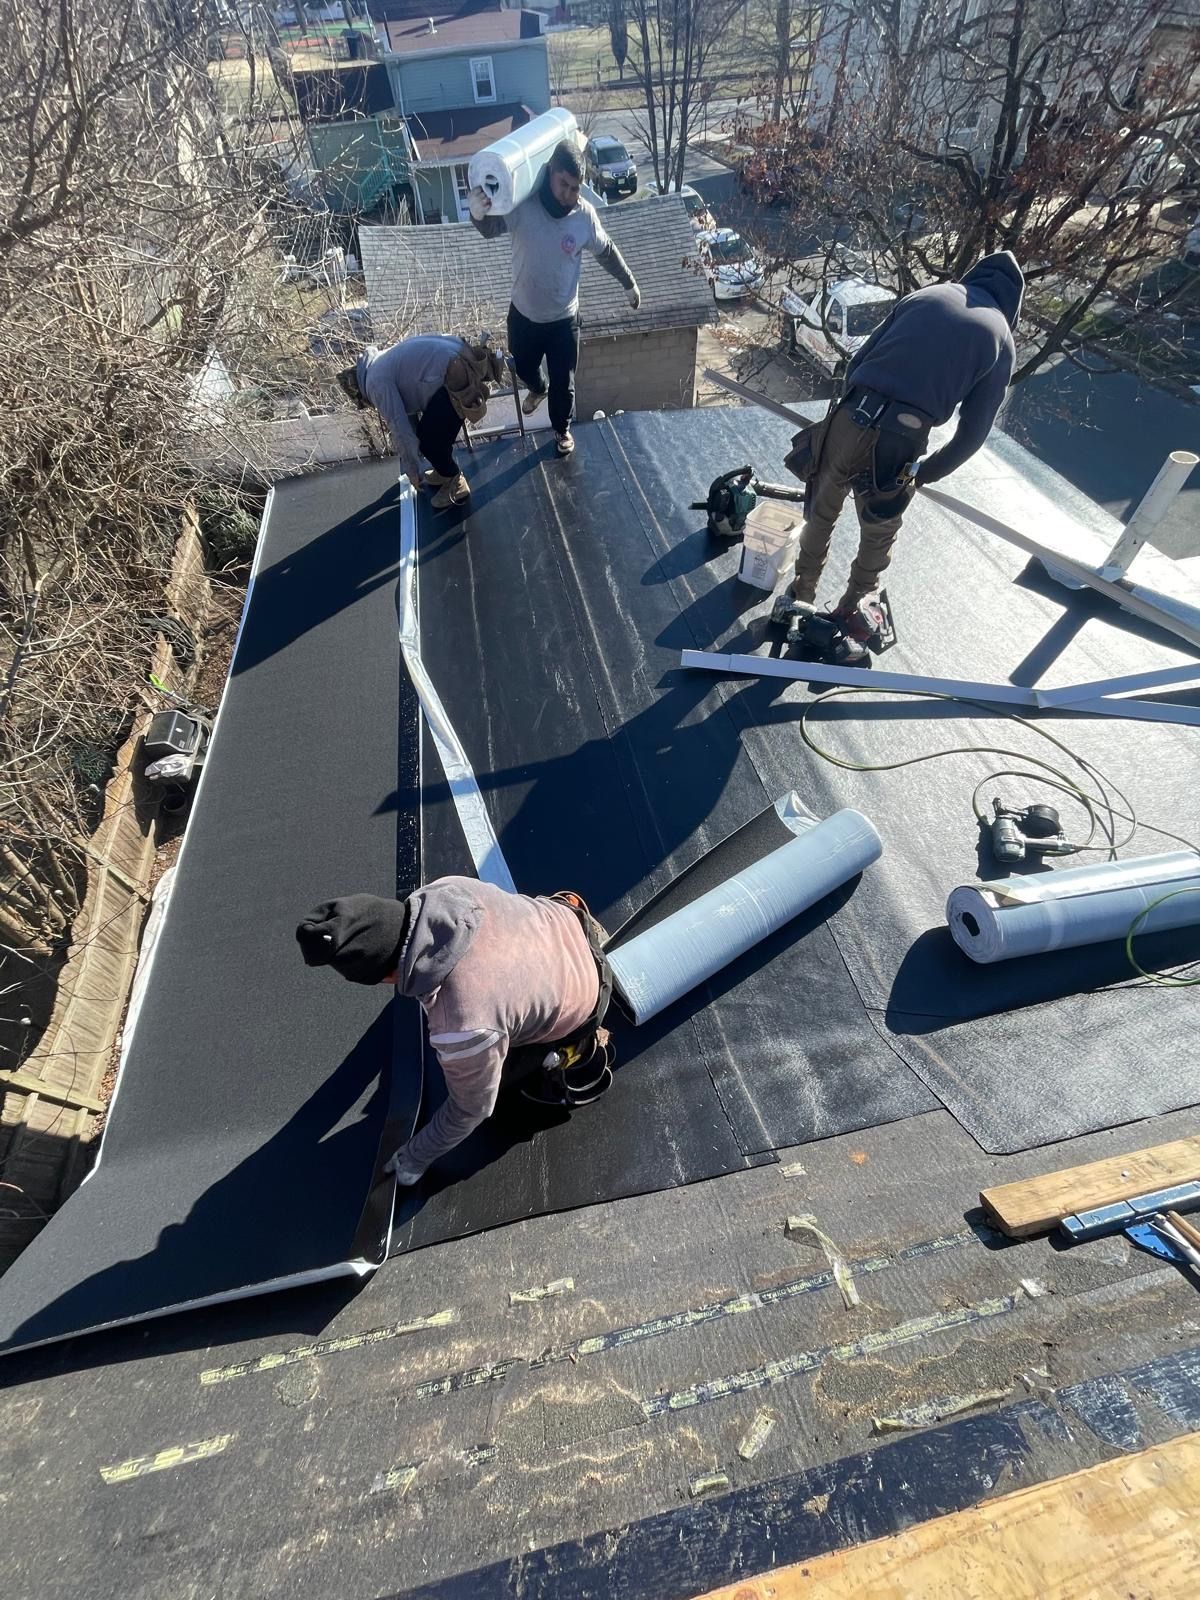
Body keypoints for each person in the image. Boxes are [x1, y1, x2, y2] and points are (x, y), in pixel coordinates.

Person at [296, 880, 613, 1185]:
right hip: (569, 922)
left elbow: (471, 1109)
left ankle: (579, 1045)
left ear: (384, 977)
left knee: (500, 1084)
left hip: (588, 994)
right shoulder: (445, 888)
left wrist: (413, 1159)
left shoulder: (463, 1027)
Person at [773, 250, 1025, 625]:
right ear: (1012, 307)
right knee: (880, 525)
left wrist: (851, 415)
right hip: (902, 437)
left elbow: (858, 362)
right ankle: (851, 606)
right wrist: (924, 472)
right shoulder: (1001, 338)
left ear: (973, 277)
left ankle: (800, 595)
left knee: (821, 509)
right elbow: (972, 435)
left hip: (853, 412)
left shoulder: (927, 295)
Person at [468, 140, 642, 458]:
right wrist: (477, 213)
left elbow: (606, 251)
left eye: (576, 188)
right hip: (524, 315)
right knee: (523, 366)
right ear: (550, 174)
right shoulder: (523, 206)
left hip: (564, 319)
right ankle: (538, 387)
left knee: (566, 382)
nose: (569, 195)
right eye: (564, 185)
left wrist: (629, 283)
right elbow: (490, 227)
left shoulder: (584, 216)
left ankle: (561, 430)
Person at [337, 334, 505, 509]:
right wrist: (414, 456)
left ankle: (456, 483)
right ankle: (444, 471)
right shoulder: (379, 362)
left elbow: (398, 425)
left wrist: (411, 469)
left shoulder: (375, 384)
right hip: (459, 354)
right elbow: (407, 415)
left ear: (359, 391)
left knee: (429, 441)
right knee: (431, 431)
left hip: (455, 373)